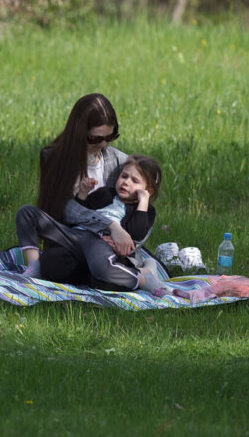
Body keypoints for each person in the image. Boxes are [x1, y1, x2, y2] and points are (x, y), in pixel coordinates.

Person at [16, 155, 164, 292]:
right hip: (75, 237)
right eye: (124, 176)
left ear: (148, 191)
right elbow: (76, 214)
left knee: (101, 272)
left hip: (99, 245)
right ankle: (34, 266)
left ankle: (143, 278)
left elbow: (136, 234)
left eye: (135, 181)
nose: (126, 182)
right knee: (28, 215)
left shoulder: (145, 210)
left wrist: (143, 201)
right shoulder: (105, 193)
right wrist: (82, 194)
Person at [36, 93, 135, 256]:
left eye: (110, 137)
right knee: (57, 265)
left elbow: (133, 211)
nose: (103, 144)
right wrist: (109, 225)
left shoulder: (120, 161)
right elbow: (60, 208)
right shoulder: (53, 157)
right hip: (68, 241)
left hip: (106, 246)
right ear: (79, 133)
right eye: (95, 139)